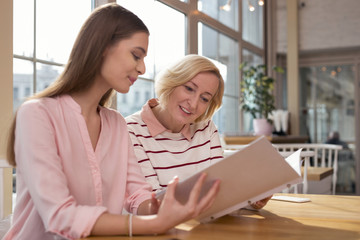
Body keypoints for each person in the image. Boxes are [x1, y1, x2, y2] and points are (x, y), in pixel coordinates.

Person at [4, 4, 220, 240]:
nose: (142, 67)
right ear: (103, 47)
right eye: (136, 55)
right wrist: (156, 223)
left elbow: (137, 193)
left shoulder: (116, 123)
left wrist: (161, 207)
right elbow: (59, 216)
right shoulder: (37, 114)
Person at [126, 54, 270, 210]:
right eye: (189, 89)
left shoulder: (206, 128)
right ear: (171, 82)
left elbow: (218, 191)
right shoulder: (131, 130)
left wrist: (251, 199)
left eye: (204, 98)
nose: (194, 104)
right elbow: (152, 203)